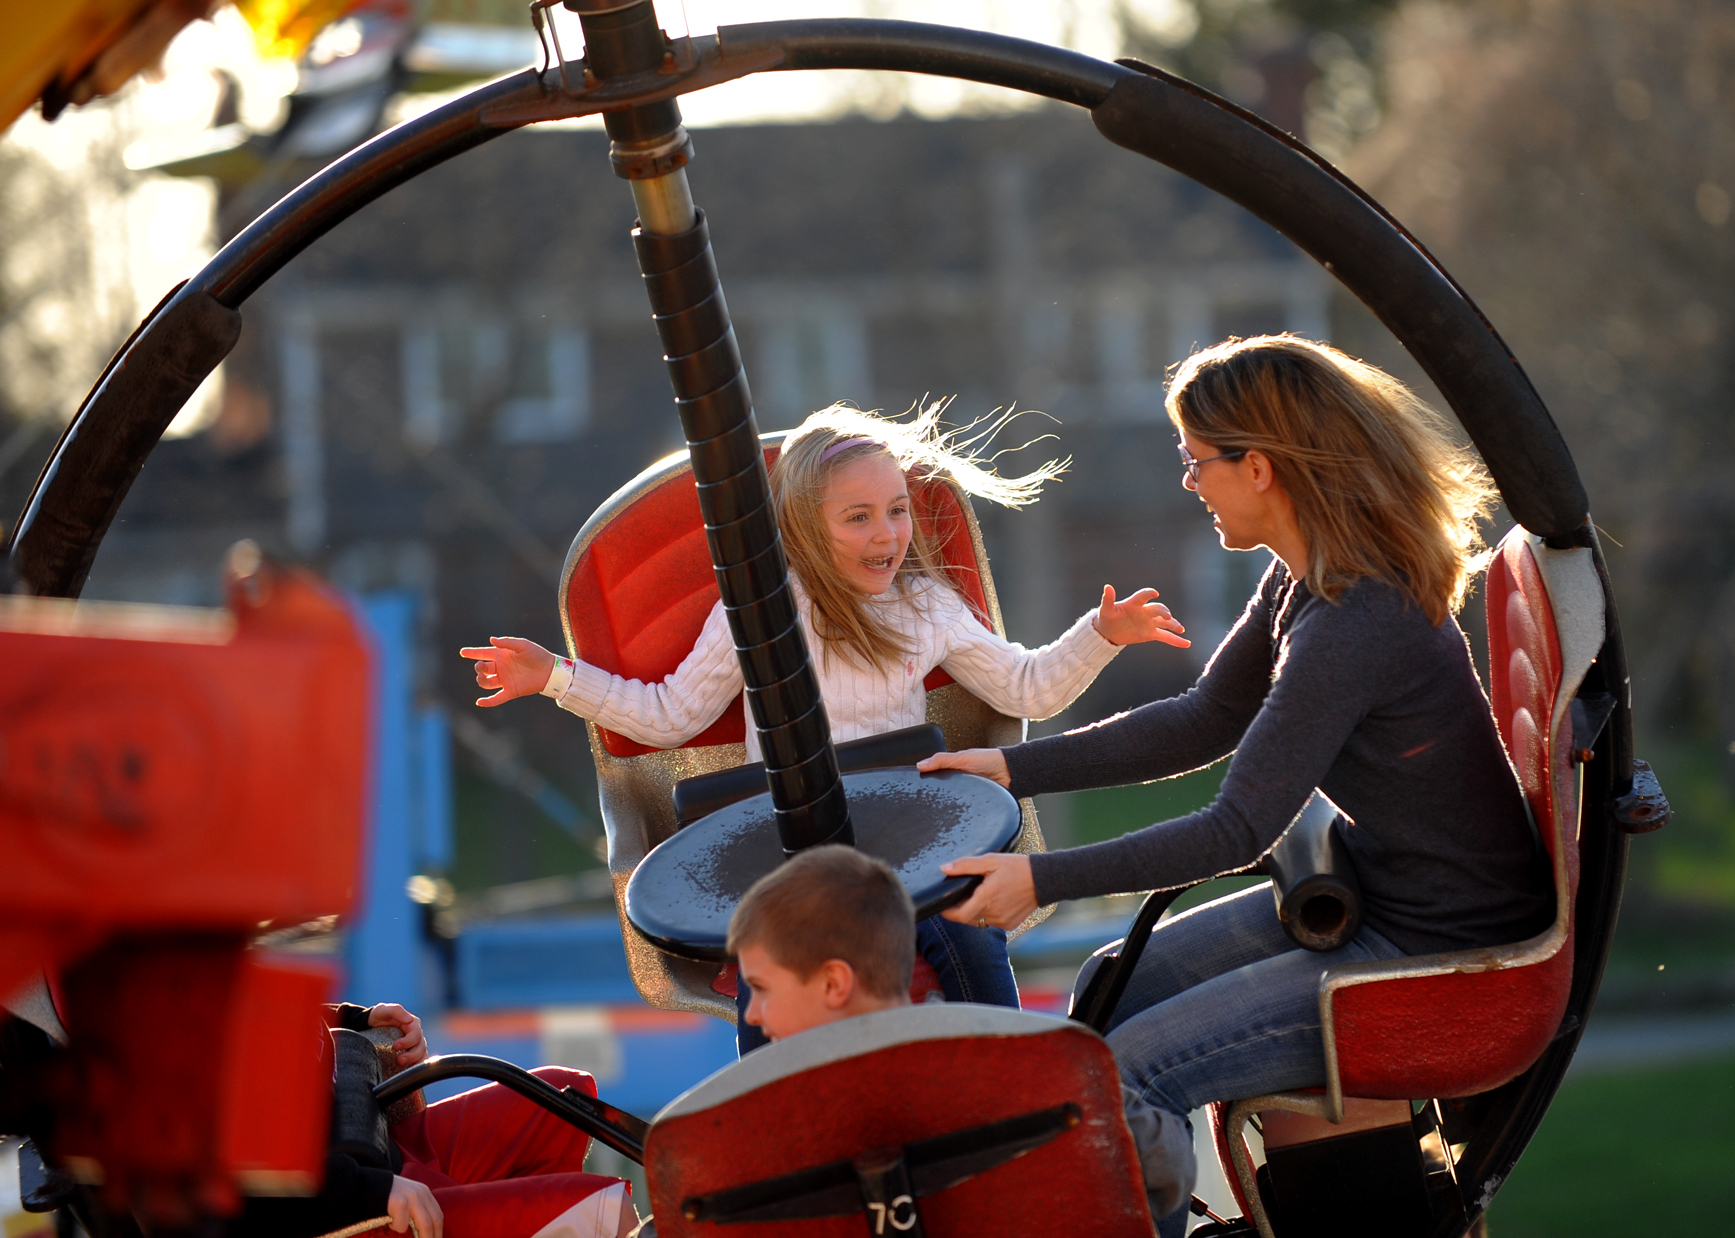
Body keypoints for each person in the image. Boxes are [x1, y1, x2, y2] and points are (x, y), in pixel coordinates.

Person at [921, 335, 1553, 1238]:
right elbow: (1201, 720)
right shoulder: (1305, 581)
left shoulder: (1352, 620)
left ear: (1257, 467)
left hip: (1438, 953)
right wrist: (1013, 765)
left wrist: (1039, 879)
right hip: (1390, 900)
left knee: (1128, 1070)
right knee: (1112, 980)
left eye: (1197, 461)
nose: (1189, 482)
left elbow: (1238, 830)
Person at [461, 403, 1190, 1052]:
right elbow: (668, 715)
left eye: (898, 510)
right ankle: (778, 1101)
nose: (888, 534)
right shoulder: (762, 616)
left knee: (965, 930)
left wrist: (1103, 632)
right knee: (773, 960)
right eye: (859, 517)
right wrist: (555, 675)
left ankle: (1000, 1073)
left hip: (906, 837)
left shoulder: (922, 607)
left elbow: (1026, 686)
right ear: (809, 525)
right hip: (790, 847)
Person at [728, 845, 1196, 1221]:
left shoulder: (756, 1143)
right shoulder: (1046, 1073)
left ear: (834, 983)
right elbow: (1168, 1168)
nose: (751, 1015)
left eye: (759, 989)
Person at [304, 1002, 637, 1238]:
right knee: (604, 1210)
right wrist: (369, 1191)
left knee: (563, 1100)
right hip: (352, 1208)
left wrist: (356, 1018)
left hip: (369, 1143)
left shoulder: (252, 956)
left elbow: (271, 1007)